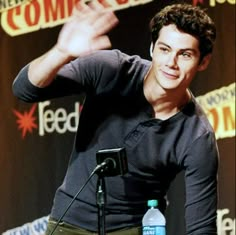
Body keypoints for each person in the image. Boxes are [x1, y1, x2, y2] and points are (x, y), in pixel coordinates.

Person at [12, 1, 219, 235]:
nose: (171, 63)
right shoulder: (112, 69)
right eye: (164, 49)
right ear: (152, 48)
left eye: (185, 54)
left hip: (133, 229)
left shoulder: (197, 135)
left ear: (203, 61)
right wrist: (62, 52)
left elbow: (201, 226)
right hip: (68, 224)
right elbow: (25, 89)